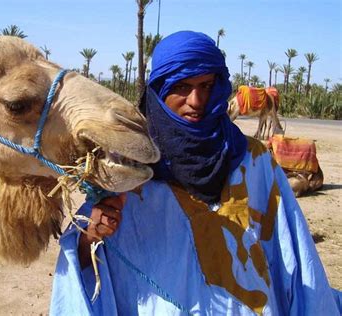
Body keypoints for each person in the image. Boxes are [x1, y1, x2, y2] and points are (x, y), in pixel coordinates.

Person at [50, 31, 341, 315]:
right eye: (181, 87)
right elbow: (83, 261)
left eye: (206, 85)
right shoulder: (127, 166)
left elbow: (295, 257)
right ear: (160, 90)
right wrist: (91, 234)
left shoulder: (254, 159)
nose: (196, 100)